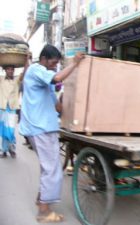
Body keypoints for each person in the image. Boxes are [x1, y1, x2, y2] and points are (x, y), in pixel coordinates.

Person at [19, 44, 84, 223]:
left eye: (57, 64)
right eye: (53, 63)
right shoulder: (37, 69)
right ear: (44, 60)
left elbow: (57, 106)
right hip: (41, 129)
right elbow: (56, 78)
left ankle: (42, 200)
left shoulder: (42, 80)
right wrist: (75, 64)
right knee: (52, 169)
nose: (55, 66)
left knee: (48, 168)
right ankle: (44, 211)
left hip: (43, 127)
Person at [0, 57, 30, 158]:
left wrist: (26, 60)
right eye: (8, 69)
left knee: (11, 131)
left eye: (12, 69)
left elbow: (25, 72)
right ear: (5, 70)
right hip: (3, 108)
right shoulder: (1, 79)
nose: (10, 71)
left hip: (12, 109)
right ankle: (4, 151)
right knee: (3, 132)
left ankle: (12, 149)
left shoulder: (17, 80)